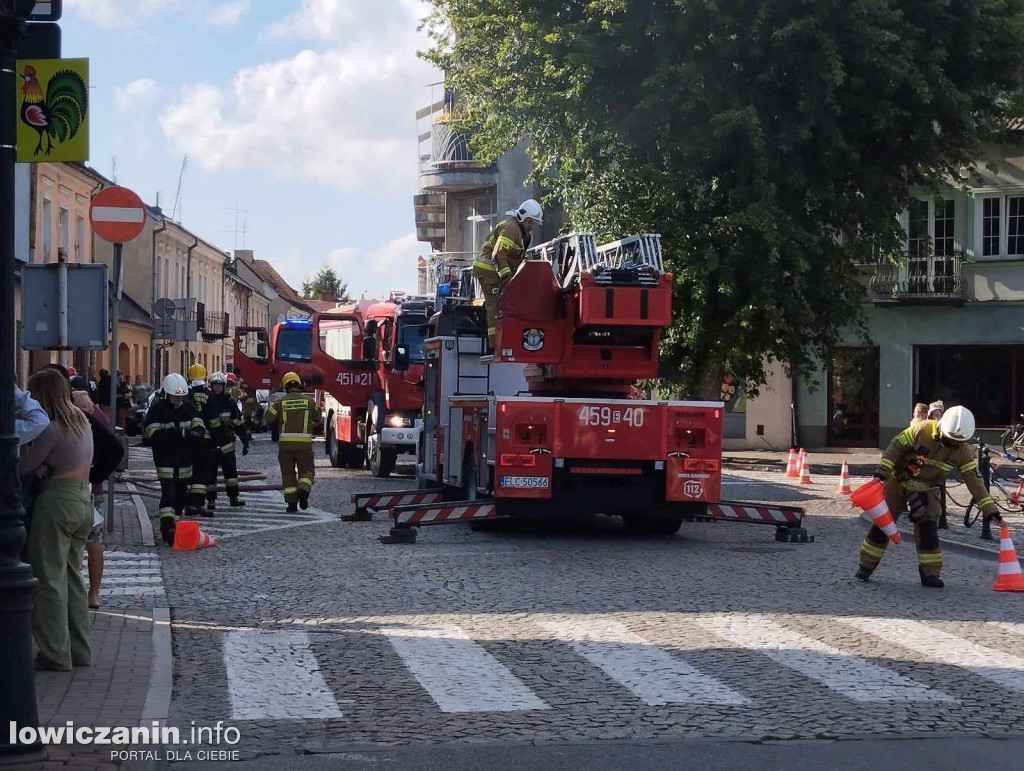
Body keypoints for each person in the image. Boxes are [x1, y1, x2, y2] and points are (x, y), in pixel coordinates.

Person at [856, 406, 1001, 588]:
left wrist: (990, 509)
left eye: (958, 442)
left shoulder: (962, 450)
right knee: (883, 524)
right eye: (950, 440)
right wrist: (881, 473)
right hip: (898, 481)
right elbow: (895, 447)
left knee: (928, 529)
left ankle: (930, 575)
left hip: (926, 489)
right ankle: (866, 566)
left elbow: (974, 480)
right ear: (941, 428)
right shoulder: (921, 430)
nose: (953, 445)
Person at [20, 368, 94, 671]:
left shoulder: (52, 428)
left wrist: (39, 465)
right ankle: (80, 651)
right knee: (72, 576)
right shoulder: (82, 422)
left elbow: (25, 465)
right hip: (82, 500)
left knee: (48, 579)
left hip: (57, 500)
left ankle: (54, 653)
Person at [471, 198, 543, 349]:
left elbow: (515, 257)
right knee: (495, 305)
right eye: (532, 223)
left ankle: (502, 339)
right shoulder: (511, 228)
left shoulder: (519, 232)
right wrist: (507, 277)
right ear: (526, 219)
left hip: (493, 271)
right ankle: (494, 345)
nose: (532, 227)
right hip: (489, 271)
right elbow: (498, 254)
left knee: (504, 303)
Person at [145, 374, 206, 545]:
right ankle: (167, 528)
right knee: (168, 494)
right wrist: (180, 434)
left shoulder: (189, 407)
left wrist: (198, 434)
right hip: (165, 459)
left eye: (180, 396)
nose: (178, 399)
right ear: (167, 393)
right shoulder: (157, 409)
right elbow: (151, 433)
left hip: (185, 459)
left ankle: (176, 524)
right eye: (175, 396)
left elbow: (199, 425)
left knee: (181, 495)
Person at [70, 379, 110, 610]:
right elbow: (114, 450)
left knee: (79, 541)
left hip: (81, 488)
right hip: (95, 489)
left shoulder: (81, 421)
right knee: (94, 541)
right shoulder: (100, 417)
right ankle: (93, 594)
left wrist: (94, 475)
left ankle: (82, 591)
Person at [264, 372, 322, 513]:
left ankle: (291, 504)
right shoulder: (308, 401)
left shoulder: (280, 402)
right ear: (299, 384)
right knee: (307, 471)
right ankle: (303, 490)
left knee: (288, 474)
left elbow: (268, 418)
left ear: (285, 386)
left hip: (285, 446)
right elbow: (318, 416)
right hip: (304, 445)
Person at [205, 371, 250, 510]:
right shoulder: (206, 401)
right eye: (215, 385)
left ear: (223, 386)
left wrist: (245, 441)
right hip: (211, 443)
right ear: (211, 386)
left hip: (227, 442)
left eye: (220, 385)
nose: (217, 387)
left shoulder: (229, 401)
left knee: (231, 473)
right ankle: (211, 500)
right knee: (210, 474)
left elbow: (238, 421)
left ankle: (234, 497)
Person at [185, 363, 215, 516]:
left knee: (189, 470)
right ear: (205, 376)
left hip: (189, 440)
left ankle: (189, 504)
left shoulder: (186, 394)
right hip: (206, 441)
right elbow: (214, 419)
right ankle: (198, 503)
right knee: (202, 473)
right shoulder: (209, 395)